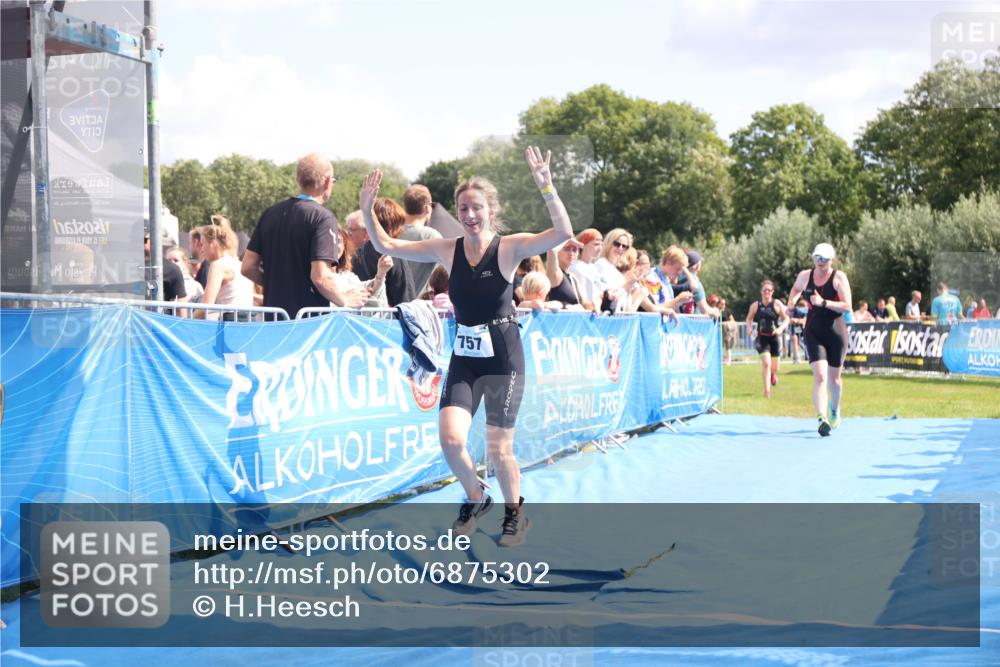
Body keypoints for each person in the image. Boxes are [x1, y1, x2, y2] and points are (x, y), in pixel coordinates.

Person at [359, 146, 573, 546]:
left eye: (477, 208)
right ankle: (476, 497)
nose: (470, 215)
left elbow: (561, 234)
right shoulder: (447, 248)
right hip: (465, 357)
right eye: (463, 208)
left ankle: (515, 515)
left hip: (503, 358)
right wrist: (367, 208)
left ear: (490, 209)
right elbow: (387, 245)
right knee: (452, 440)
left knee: (498, 449)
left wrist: (546, 185)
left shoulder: (508, 248)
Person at [242, 153, 366, 318]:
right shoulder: (323, 217)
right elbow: (321, 277)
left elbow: (247, 267)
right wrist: (344, 301)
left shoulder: (269, 214)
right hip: (307, 324)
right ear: (328, 181)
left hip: (273, 319)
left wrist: (278, 286)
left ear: (299, 180)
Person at [788, 242, 853, 437]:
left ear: (832, 259)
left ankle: (834, 409)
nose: (821, 262)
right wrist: (791, 302)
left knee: (835, 379)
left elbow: (847, 306)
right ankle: (821, 418)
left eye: (824, 258)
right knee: (821, 376)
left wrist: (824, 302)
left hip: (835, 330)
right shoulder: (805, 276)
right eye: (817, 258)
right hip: (813, 329)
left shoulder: (839, 277)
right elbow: (795, 289)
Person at [352, 198, 418, 307]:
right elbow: (406, 298)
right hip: (387, 320)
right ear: (395, 224)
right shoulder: (395, 254)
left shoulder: (356, 254)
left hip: (359, 316)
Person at [197, 219, 256, 320]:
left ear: (213, 242)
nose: (201, 249)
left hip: (231, 324)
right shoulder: (239, 264)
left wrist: (185, 322)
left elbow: (205, 308)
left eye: (203, 244)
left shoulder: (218, 265)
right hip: (250, 323)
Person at [746, 280, 789, 398]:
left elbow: (786, 319)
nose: (767, 292)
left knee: (775, 367)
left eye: (769, 290)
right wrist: (749, 328)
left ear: (772, 292)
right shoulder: (756, 305)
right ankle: (767, 391)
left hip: (774, 339)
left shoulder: (777, 304)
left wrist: (780, 329)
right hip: (762, 339)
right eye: (764, 290)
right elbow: (749, 319)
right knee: (766, 363)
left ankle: (773, 374)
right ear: (761, 292)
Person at [400, 185, 444, 296]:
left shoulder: (392, 234)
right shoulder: (431, 236)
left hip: (391, 308)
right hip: (419, 307)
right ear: (427, 208)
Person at [544, 239, 592, 311]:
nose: (571, 253)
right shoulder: (555, 275)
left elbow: (584, 303)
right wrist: (565, 239)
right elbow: (552, 250)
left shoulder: (573, 278)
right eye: (567, 249)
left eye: (574, 250)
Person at [566, 228, 605, 305]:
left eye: (601, 244)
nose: (600, 248)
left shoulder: (593, 267)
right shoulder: (576, 268)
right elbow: (581, 297)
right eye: (596, 244)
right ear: (583, 245)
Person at [788, 297, 809, 364]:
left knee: (803, 342)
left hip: (802, 327)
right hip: (795, 327)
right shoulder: (795, 310)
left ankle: (801, 357)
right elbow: (790, 318)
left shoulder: (806, 310)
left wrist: (798, 320)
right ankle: (797, 358)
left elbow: (806, 319)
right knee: (795, 341)